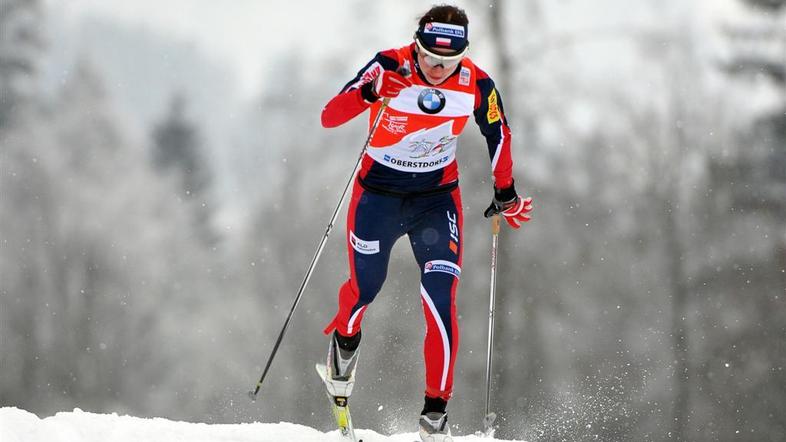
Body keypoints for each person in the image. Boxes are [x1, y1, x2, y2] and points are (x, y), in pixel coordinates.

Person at [319, 4, 532, 441]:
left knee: (439, 301)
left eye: (449, 62)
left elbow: (499, 133)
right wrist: (370, 93)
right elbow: (330, 115)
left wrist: (505, 191)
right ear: (416, 47)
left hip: (436, 202)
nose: (438, 70)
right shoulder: (389, 64)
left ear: (463, 55)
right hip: (377, 197)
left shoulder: (476, 83)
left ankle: (435, 413)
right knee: (365, 290)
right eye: (430, 58)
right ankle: (344, 343)